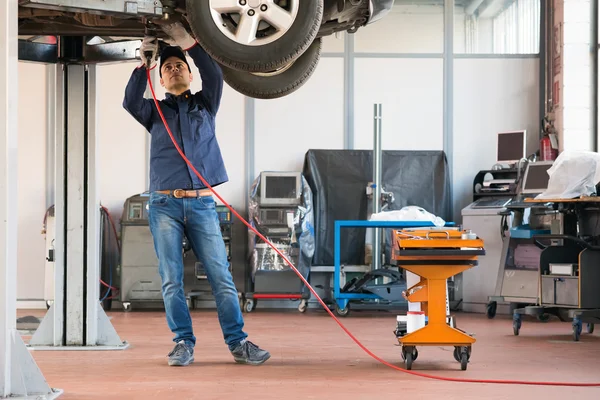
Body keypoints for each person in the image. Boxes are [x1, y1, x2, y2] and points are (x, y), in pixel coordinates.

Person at [123, 22, 270, 367]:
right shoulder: (154, 112)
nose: (173, 69)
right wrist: (144, 63)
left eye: (179, 66)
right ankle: (182, 343)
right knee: (172, 279)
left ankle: (238, 342)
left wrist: (187, 45)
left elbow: (214, 74)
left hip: (203, 205)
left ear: (190, 75)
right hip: (164, 206)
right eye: (167, 67)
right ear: (161, 80)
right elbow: (130, 100)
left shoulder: (206, 104)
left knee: (221, 276)